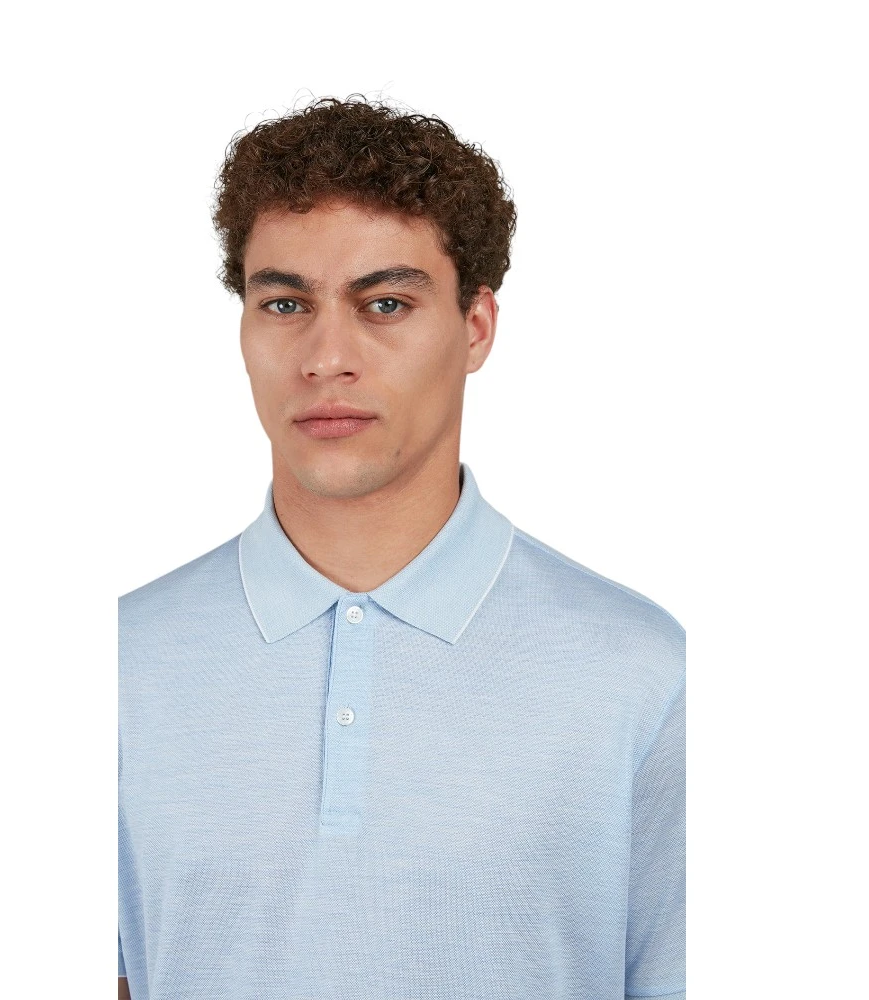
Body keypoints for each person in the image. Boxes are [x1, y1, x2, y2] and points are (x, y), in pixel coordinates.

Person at [118, 95, 685, 1000]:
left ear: (476, 327)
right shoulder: (117, 666)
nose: (325, 356)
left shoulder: (644, 676)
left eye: (385, 303)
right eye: (284, 302)